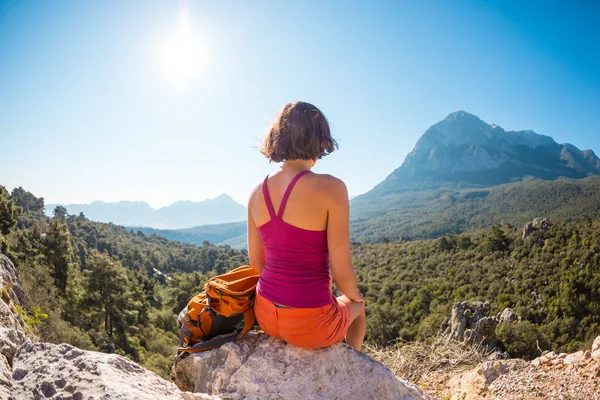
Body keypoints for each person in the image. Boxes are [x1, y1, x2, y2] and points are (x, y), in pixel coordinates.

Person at [247, 101, 366, 351]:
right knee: (358, 307)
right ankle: (355, 364)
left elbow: (256, 265)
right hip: (311, 325)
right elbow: (342, 273)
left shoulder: (256, 192)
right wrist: (355, 297)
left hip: (266, 315)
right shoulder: (332, 188)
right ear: (319, 139)